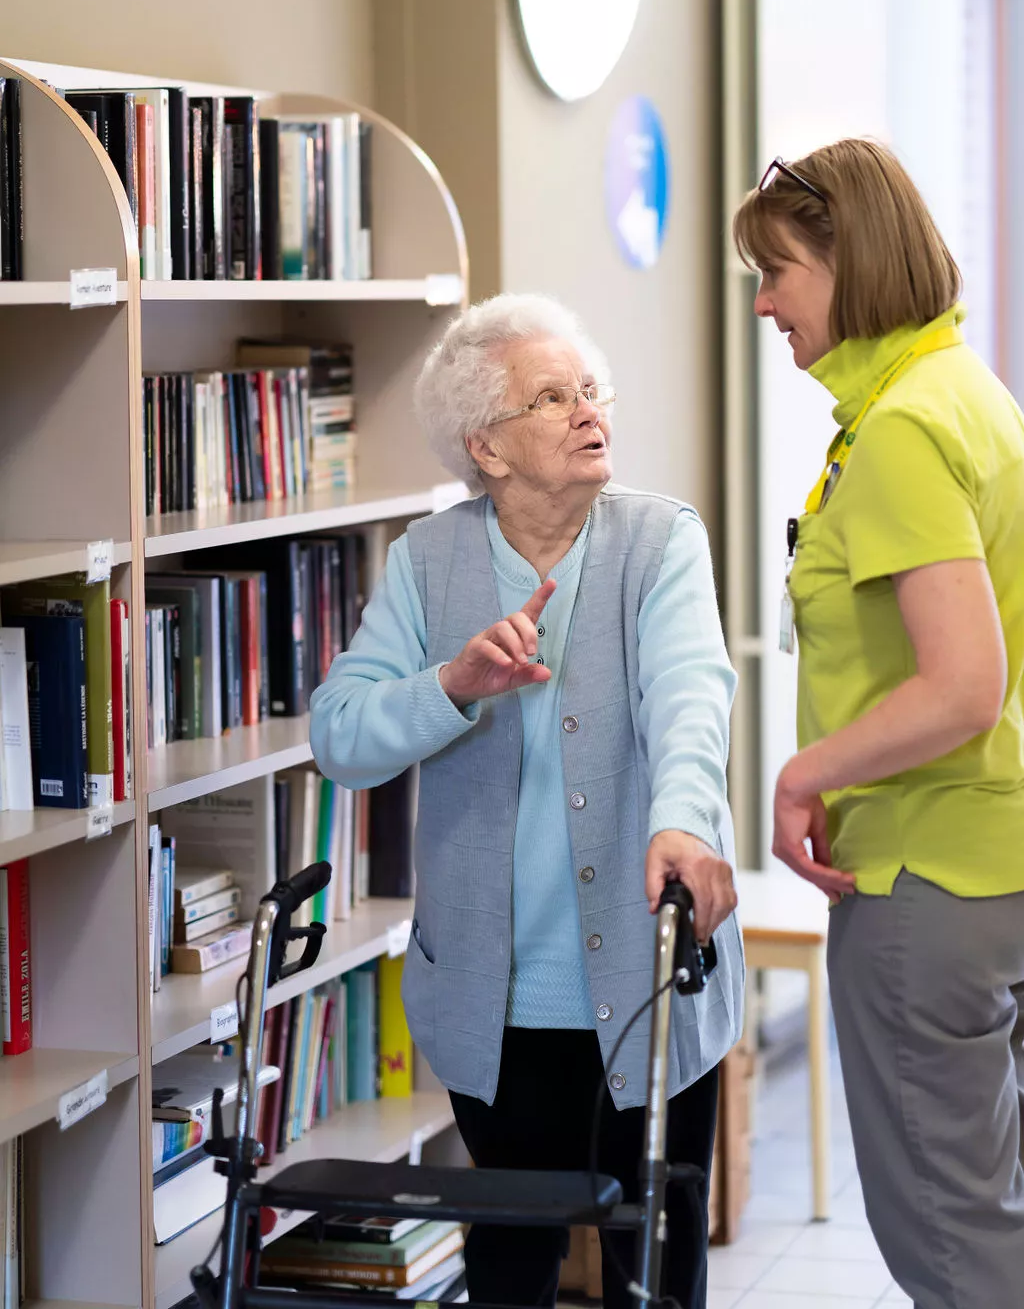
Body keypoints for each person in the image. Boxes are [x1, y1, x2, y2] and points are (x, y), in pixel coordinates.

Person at [309, 293, 743, 1308]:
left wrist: (681, 818)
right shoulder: (429, 560)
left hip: (650, 978)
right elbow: (340, 733)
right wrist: (450, 686)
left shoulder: (658, 541)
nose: (588, 411)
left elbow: (691, 699)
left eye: (589, 390)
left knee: (659, 1271)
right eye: (552, 397)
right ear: (487, 448)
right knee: (509, 1270)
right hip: (490, 1005)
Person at [734, 139, 1024, 1308]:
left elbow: (964, 684)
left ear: (850, 266)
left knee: (952, 1247)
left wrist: (805, 771)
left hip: (923, 882)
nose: (763, 301)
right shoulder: (965, 390)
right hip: (990, 865)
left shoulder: (904, 427)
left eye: (778, 271)